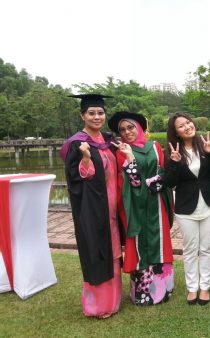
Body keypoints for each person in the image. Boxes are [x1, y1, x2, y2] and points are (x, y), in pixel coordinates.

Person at [60, 94, 122, 318]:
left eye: (100, 113)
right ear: (82, 115)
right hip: (93, 208)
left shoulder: (108, 139)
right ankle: (98, 305)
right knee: (97, 251)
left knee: (113, 250)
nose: (97, 117)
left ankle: (114, 300)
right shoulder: (77, 143)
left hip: (113, 208)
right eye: (91, 113)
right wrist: (86, 158)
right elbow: (76, 179)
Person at [108, 111, 174, 306]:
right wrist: (130, 158)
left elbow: (162, 169)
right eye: (122, 129)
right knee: (140, 243)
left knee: (159, 240)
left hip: (156, 202)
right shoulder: (121, 150)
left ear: (139, 127)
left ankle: (163, 289)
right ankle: (143, 293)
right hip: (135, 206)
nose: (127, 132)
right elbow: (131, 183)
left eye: (130, 127)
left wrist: (157, 181)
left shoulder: (154, 146)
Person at [164, 112, 210, 305]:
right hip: (185, 207)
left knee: (206, 248)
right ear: (176, 132)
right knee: (190, 249)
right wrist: (174, 162)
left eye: (188, 122)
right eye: (181, 126)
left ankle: (204, 287)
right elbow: (169, 182)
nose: (187, 126)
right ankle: (192, 288)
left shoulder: (206, 143)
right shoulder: (173, 151)